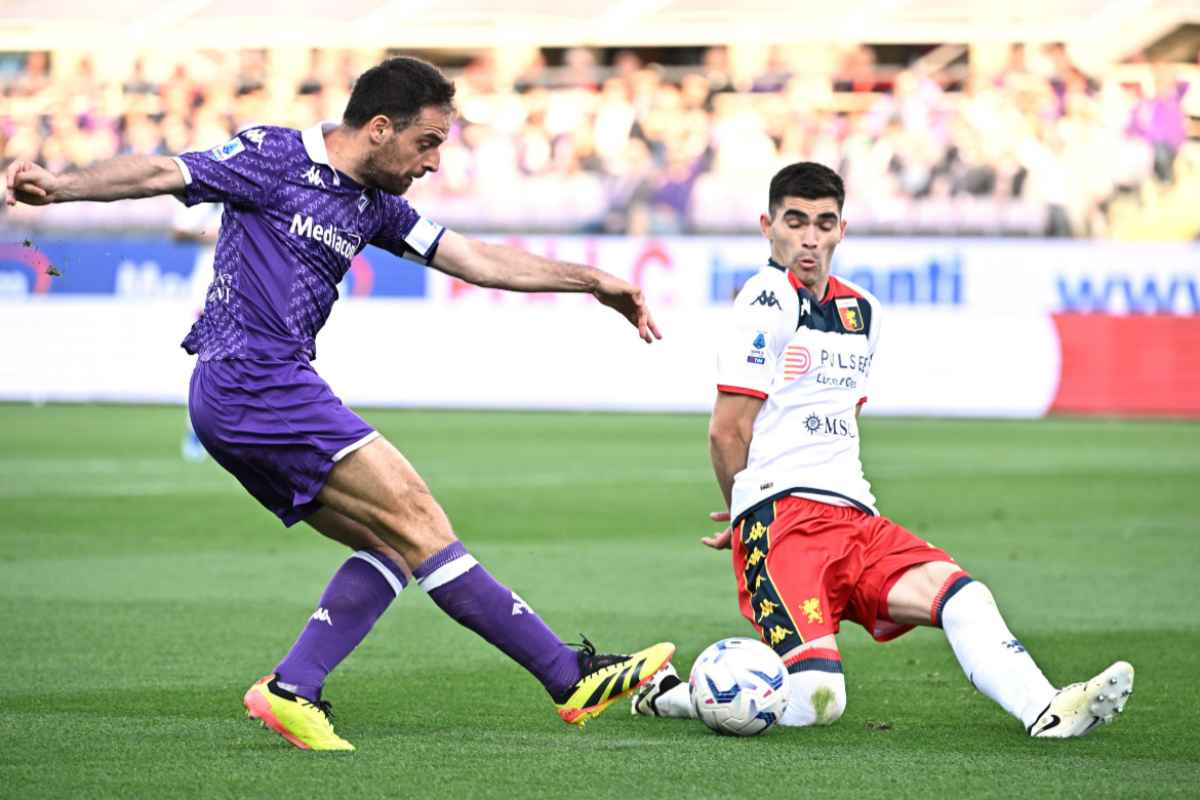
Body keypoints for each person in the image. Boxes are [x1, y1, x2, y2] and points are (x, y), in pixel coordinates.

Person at [5, 56, 674, 751]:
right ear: (380, 129)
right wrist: (60, 185)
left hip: (254, 391)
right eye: (428, 142)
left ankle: (293, 688)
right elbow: (160, 172)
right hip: (251, 377)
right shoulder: (273, 156)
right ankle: (568, 676)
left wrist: (592, 279)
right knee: (419, 517)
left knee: (390, 543)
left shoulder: (376, 204)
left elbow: (473, 259)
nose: (435, 162)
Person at [631, 162, 1132, 737]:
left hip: (856, 517)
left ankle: (1047, 709)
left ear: (842, 228)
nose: (810, 238)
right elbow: (727, 429)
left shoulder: (861, 310)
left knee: (963, 596)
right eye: (795, 222)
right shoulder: (763, 303)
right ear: (768, 226)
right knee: (819, 697)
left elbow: (846, 412)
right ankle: (675, 694)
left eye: (824, 223)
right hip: (785, 522)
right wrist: (748, 513)